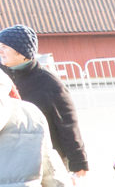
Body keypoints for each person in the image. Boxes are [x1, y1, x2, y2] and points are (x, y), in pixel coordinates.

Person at [0, 24, 89, 177]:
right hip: (9, 158)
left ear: (22, 52)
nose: (0, 51)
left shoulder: (48, 83)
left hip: (43, 159)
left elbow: (67, 124)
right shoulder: (2, 77)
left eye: (4, 47)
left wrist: (78, 162)